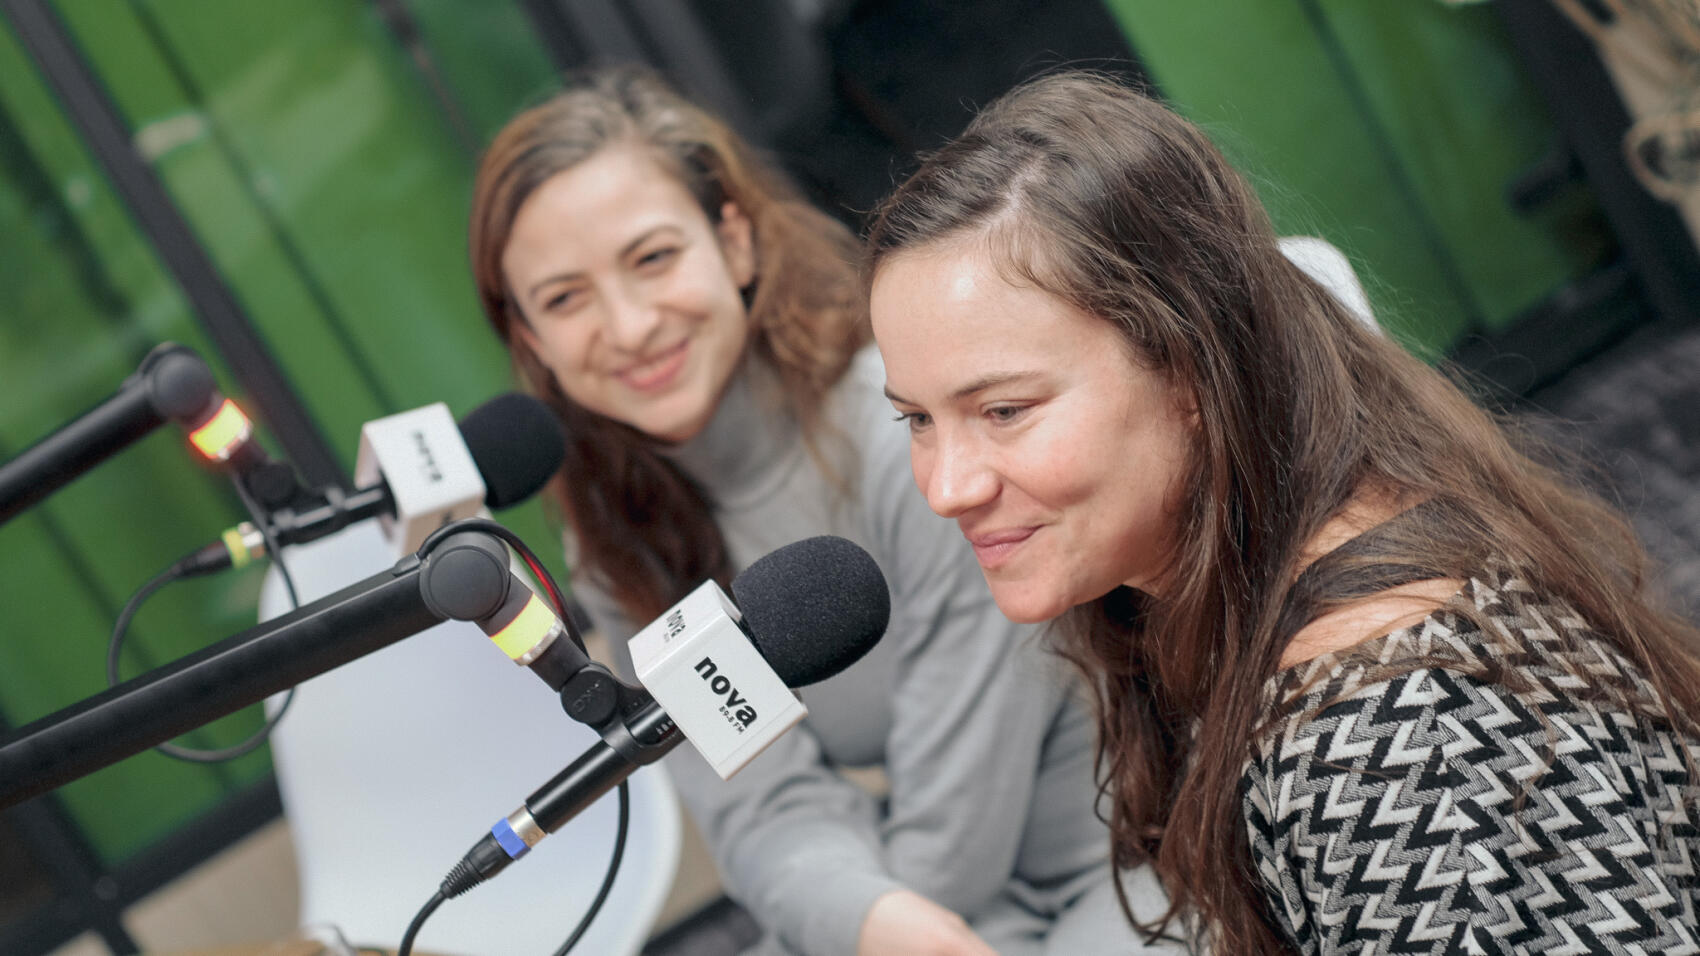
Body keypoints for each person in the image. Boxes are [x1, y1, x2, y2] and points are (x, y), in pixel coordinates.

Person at [865, 70, 1700, 954]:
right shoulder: (1250, 584)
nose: (946, 486)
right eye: (916, 420)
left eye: (1004, 411)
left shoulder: (1400, 752)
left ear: (1191, 370)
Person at [467, 67, 1171, 956]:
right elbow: (763, 810)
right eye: (565, 299)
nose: (630, 324)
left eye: (653, 259)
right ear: (529, 339)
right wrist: (863, 919)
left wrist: (876, 921)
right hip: (946, 912)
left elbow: (963, 820)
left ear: (735, 244)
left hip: (1148, 872)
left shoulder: (909, 430)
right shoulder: (615, 538)